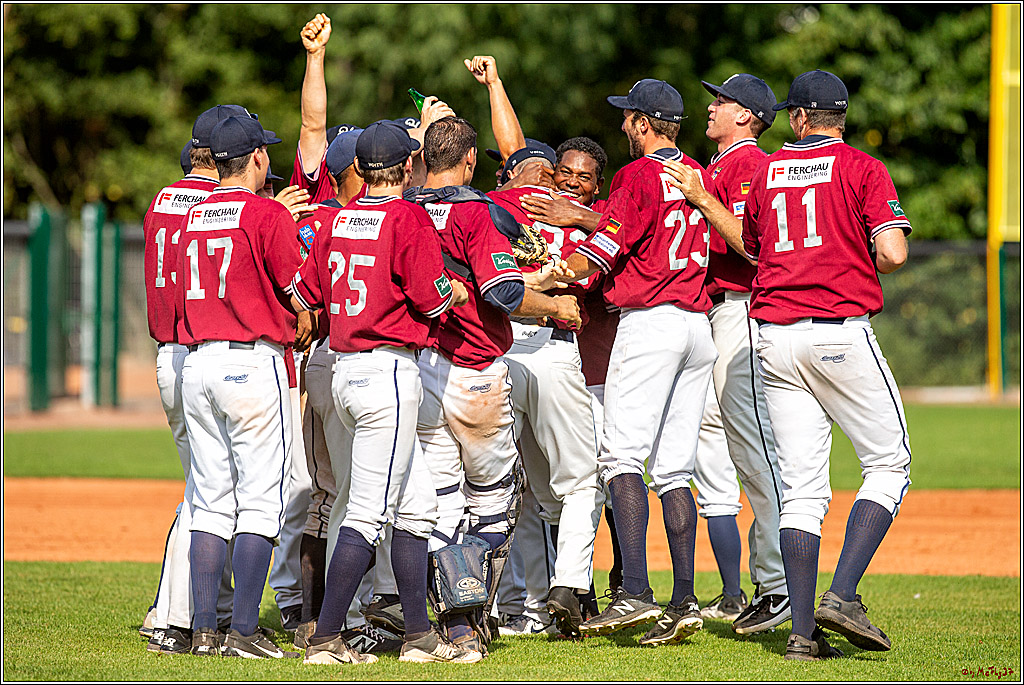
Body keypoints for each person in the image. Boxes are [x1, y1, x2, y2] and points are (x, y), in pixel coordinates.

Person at [290, 119, 478, 665]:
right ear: (406, 167)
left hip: (343, 368)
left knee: (417, 506)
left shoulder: (337, 219)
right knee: (368, 514)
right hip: (387, 373)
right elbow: (432, 300)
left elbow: (306, 293)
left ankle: (419, 636)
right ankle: (326, 638)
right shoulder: (408, 217)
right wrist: (458, 288)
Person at [740, 69, 911, 661]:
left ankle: (802, 636)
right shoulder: (862, 167)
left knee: (802, 491)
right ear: (839, 115)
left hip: (773, 339)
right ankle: (842, 594)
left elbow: (756, 247)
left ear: (798, 117)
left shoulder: (763, 170)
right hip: (838, 330)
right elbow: (891, 252)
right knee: (890, 464)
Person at [410, 115, 581, 658]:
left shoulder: (402, 207)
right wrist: (553, 304)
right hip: (475, 368)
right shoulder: (479, 213)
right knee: (494, 502)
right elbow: (504, 293)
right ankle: (469, 616)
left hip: (419, 367)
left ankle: (447, 626)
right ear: (468, 161)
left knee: (439, 502)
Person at [561, 79, 718, 647]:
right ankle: (684, 600)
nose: (624, 124)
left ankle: (634, 594)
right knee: (675, 469)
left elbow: (603, 250)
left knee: (621, 456)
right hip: (697, 325)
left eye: (629, 116)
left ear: (645, 124)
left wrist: (553, 276)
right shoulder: (698, 173)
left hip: (650, 320)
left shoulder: (634, 176)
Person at [659, 73, 791, 634]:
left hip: (740, 309)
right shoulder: (720, 166)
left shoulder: (750, 165)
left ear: (747, 116)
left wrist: (702, 197)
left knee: (757, 447)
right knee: (726, 447)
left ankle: (781, 584)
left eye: (722, 101)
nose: (710, 108)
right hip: (713, 314)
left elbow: (751, 245)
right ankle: (754, 586)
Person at [177, 114, 305, 659]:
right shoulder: (267, 212)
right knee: (259, 501)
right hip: (251, 362)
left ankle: (205, 630)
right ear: (255, 158)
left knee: (209, 501)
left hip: (197, 363)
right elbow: (300, 290)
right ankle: (244, 634)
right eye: (266, 153)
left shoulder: (192, 213)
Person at [140, 107, 245, 655]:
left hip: (173, 355)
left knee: (207, 489)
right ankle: (174, 615)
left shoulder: (162, 199)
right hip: (198, 351)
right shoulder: (209, 206)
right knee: (207, 493)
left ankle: (210, 608)